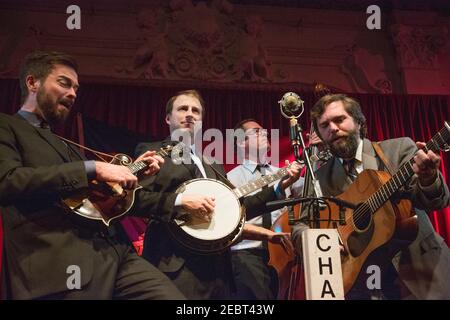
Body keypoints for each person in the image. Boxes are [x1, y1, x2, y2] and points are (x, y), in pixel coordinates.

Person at [0, 51, 185, 300]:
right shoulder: (6, 125)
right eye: (64, 83)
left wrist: (132, 175)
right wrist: (94, 168)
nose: (73, 93)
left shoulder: (67, 145)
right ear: (32, 83)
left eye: (76, 88)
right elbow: (8, 181)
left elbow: (93, 198)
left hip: (116, 254)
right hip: (60, 265)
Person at [134, 90, 301, 299]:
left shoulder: (213, 164)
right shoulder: (152, 151)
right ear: (168, 118)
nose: (190, 114)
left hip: (218, 270)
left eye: (196, 111)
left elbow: (237, 207)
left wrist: (279, 187)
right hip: (174, 264)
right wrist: (180, 201)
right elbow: (136, 200)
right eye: (182, 109)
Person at [291, 93, 450, 299]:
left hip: (420, 269)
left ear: (358, 121)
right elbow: (301, 223)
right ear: (320, 134)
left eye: (339, 120)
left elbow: (437, 201)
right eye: (324, 125)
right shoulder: (319, 177)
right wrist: (319, 243)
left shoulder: (398, 149)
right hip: (364, 281)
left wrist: (428, 179)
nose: (332, 128)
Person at [227, 118, 301, 299]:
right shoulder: (231, 178)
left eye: (264, 130)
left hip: (285, 252)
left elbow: (310, 196)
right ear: (242, 142)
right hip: (247, 253)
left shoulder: (283, 172)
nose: (265, 133)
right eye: (257, 132)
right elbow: (232, 220)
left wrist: (315, 152)